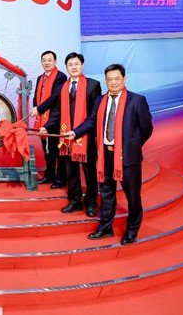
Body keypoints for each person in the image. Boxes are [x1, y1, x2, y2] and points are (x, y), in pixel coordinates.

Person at [65, 63, 153, 245]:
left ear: (124, 79)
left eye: (117, 79)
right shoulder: (100, 100)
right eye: (110, 79)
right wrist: (75, 132)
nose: (113, 82)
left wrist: (132, 146)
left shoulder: (137, 100)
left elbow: (146, 128)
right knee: (106, 194)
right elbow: (91, 121)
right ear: (105, 80)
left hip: (127, 158)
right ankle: (105, 227)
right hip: (104, 155)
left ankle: (132, 230)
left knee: (132, 196)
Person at [41, 52, 101, 217]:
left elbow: (94, 115)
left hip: (86, 137)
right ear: (66, 67)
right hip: (66, 136)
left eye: (76, 64)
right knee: (71, 172)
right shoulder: (63, 87)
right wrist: (47, 126)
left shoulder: (93, 85)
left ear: (82, 65)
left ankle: (91, 202)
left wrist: (77, 131)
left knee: (89, 173)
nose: (73, 67)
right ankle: (75, 201)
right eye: (70, 65)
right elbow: (57, 112)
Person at [29, 50, 67, 188]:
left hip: (55, 118)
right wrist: (36, 107)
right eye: (44, 60)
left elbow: (55, 97)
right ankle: (49, 175)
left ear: (55, 61)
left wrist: (39, 109)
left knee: (56, 150)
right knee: (47, 150)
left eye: (49, 60)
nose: (46, 63)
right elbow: (37, 97)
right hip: (42, 119)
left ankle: (60, 178)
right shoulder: (40, 77)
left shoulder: (61, 77)